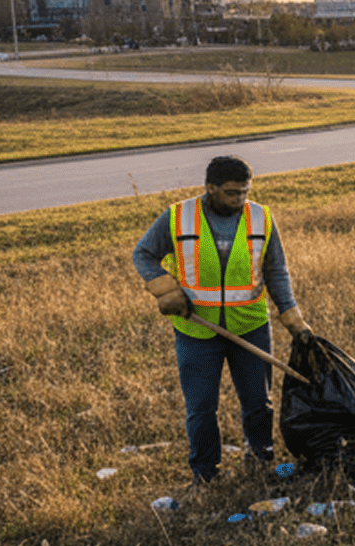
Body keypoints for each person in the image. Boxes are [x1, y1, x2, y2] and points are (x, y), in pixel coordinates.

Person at [132, 156, 309, 484]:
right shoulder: (178, 216)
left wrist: (293, 318)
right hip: (197, 330)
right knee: (201, 408)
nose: (239, 200)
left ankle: (260, 459)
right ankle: (205, 473)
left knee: (258, 403)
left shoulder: (261, 217)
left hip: (251, 325)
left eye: (244, 192)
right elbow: (142, 253)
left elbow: (276, 270)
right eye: (231, 193)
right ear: (210, 188)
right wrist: (165, 289)